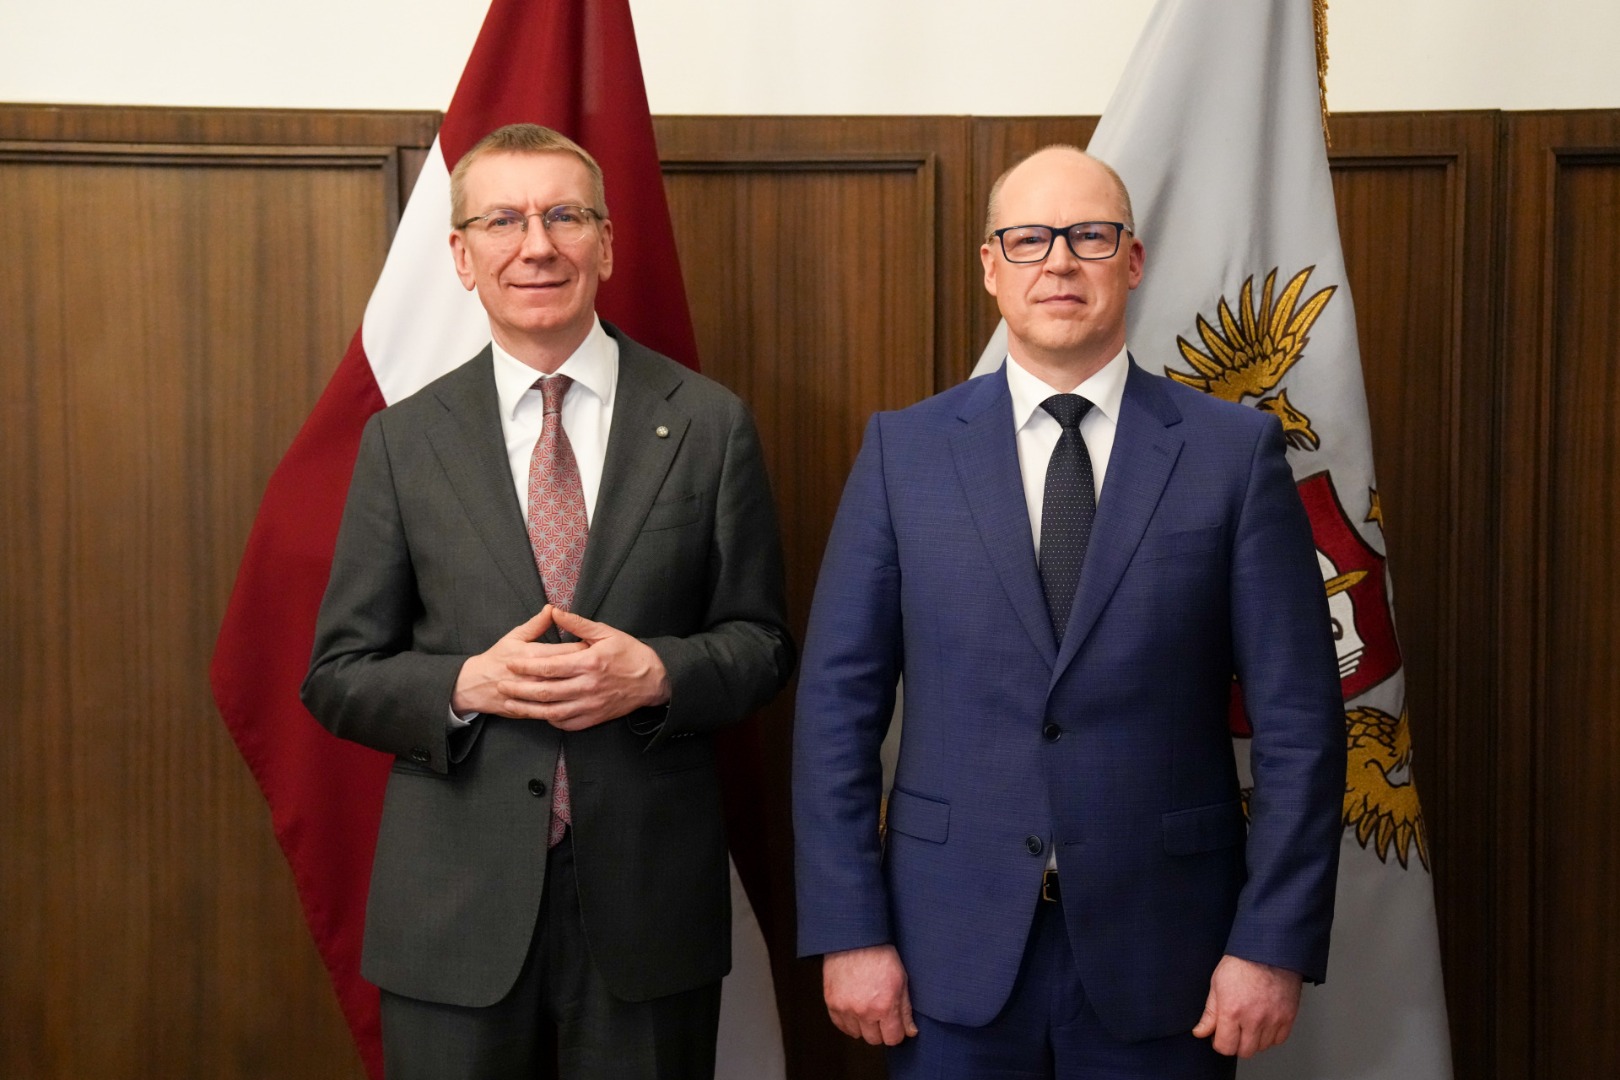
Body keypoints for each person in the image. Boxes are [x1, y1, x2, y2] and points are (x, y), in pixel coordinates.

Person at [791, 145, 1345, 1079]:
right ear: (990, 266)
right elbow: (835, 713)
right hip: (942, 952)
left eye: (1089, 236)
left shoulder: (1233, 454)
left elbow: (1299, 722)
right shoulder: (903, 453)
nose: (1058, 261)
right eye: (1029, 239)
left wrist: (1272, 942)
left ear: (1132, 260)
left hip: (1172, 954)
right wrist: (850, 928)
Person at [302, 123, 794, 1080]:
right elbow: (337, 675)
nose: (537, 245)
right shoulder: (403, 441)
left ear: (605, 244)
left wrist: (659, 674)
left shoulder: (708, 423)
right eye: (504, 221)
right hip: (453, 912)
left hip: (649, 908)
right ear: (462, 256)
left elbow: (764, 643)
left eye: (565, 216)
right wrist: (465, 685)